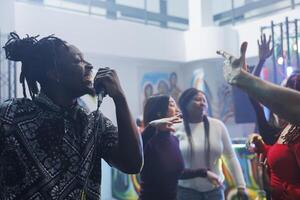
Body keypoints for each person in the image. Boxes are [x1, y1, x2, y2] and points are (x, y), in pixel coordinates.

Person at [0, 32, 143, 200]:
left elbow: (132, 163)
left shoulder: (94, 123)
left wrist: (120, 98)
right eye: (78, 60)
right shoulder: (11, 115)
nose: (89, 65)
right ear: (54, 73)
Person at [218, 41, 300, 200]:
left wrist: (274, 189)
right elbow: (284, 160)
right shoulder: (288, 129)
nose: (276, 102)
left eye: (283, 94)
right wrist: (263, 148)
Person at [139, 95, 221, 200]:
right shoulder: (148, 141)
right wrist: (152, 126)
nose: (177, 109)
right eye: (172, 104)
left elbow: (177, 173)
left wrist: (204, 173)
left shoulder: (174, 139)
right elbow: (135, 149)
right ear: (160, 112)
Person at [176, 88, 248, 200]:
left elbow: (230, 157)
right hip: (186, 192)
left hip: (215, 191)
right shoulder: (176, 128)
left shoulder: (218, 126)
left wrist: (241, 186)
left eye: (204, 100)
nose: (202, 103)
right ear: (185, 104)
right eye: (197, 99)